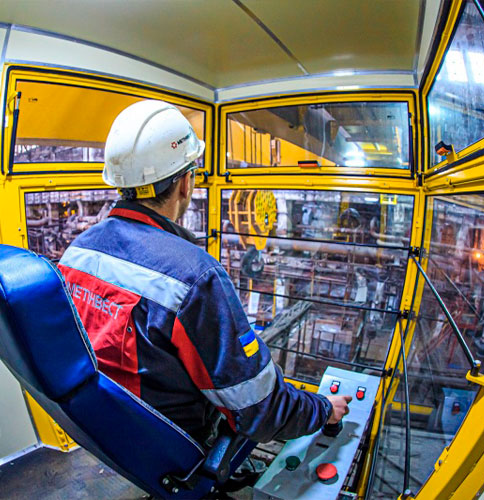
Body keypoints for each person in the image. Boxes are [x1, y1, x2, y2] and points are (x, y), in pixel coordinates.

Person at [58, 100, 351, 446]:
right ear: (186, 183)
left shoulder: (78, 250)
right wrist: (321, 409)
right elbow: (259, 409)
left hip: (102, 430)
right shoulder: (196, 277)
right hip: (168, 448)